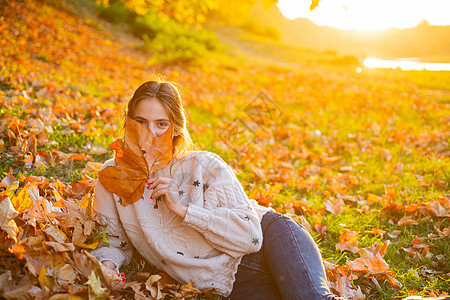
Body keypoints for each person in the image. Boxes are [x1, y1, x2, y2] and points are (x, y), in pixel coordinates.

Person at [91, 80, 344, 299]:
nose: (150, 133)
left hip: (272, 241)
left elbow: (250, 236)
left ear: (176, 128)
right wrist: (108, 263)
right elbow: (113, 241)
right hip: (235, 282)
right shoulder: (112, 177)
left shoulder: (204, 165)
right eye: (141, 122)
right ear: (128, 121)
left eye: (161, 124)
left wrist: (183, 208)